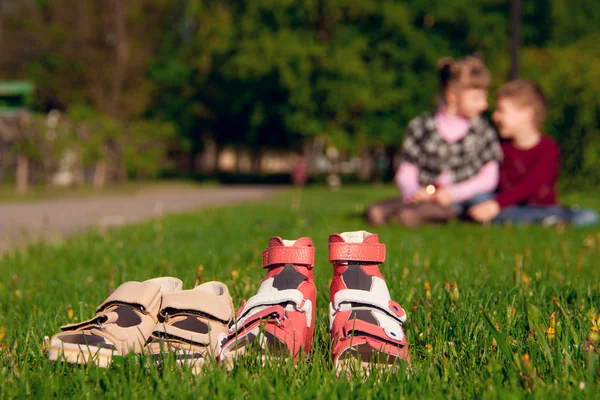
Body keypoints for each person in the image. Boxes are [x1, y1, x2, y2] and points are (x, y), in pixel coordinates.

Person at [366, 55, 502, 227]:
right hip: (423, 196)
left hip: (461, 200)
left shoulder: (482, 131)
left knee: (412, 215)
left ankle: (414, 216)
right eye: (476, 98)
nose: (484, 105)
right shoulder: (420, 127)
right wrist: (415, 192)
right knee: (376, 212)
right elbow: (406, 171)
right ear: (452, 95)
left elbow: (489, 178)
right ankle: (399, 212)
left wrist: (453, 193)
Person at [468, 79, 599, 227]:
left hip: (540, 208)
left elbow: (531, 184)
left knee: (588, 216)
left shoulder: (548, 149)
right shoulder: (499, 146)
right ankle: (540, 222)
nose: (495, 116)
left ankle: (535, 219)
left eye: (501, 110)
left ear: (526, 113)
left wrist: (496, 205)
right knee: (479, 198)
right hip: (508, 206)